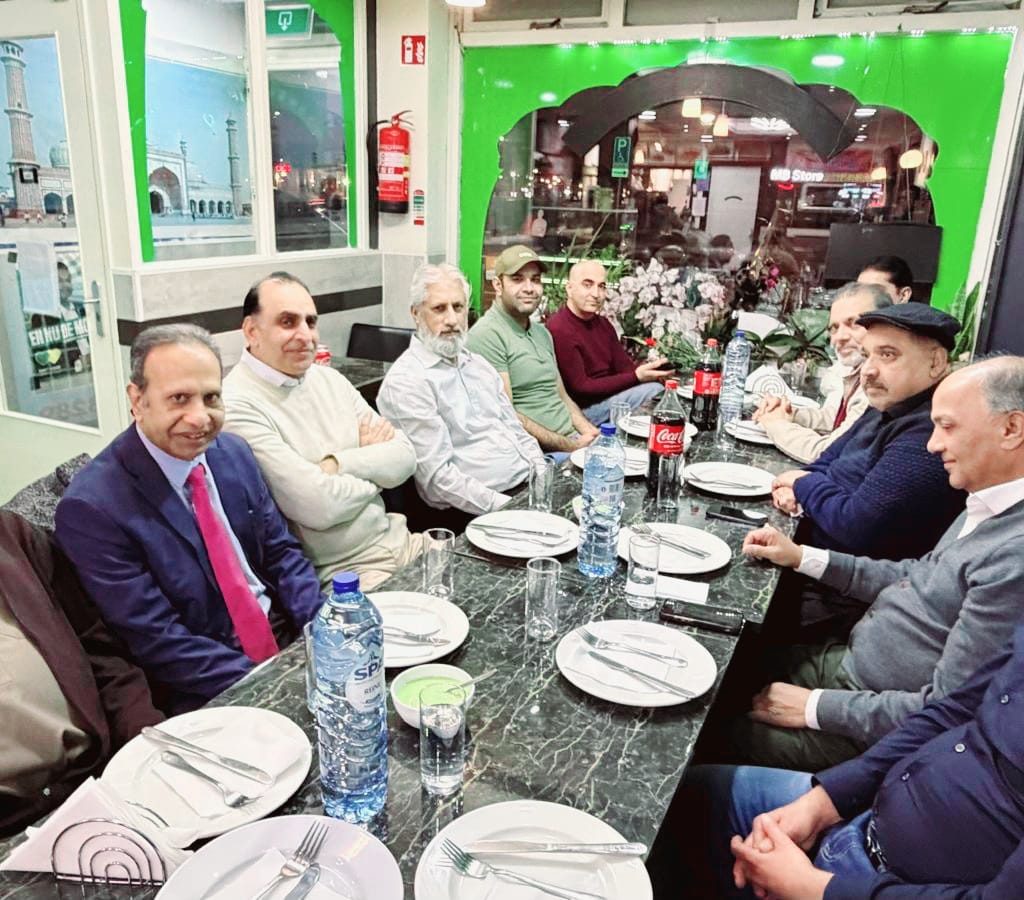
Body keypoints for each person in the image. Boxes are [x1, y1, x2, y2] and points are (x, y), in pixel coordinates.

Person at [722, 356, 1024, 771]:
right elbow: (913, 576)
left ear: (1011, 429)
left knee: (701, 736)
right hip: (851, 664)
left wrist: (815, 707)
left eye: (948, 427)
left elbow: (948, 708)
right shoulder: (986, 500)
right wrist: (802, 556)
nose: (933, 444)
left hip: (869, 728)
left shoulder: (1013, 555)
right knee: (724, 668)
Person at [55, 324, 322, 712]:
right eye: (179, 398)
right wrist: (272, 684)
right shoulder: (93, 507)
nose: (200, 418)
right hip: (207, 684)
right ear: (138, 400)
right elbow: (158, 639)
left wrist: (325, 630)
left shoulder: (233, 453)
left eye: (211, 398)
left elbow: (283, 555)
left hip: (285, 639)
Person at [669, 616, 1024, 897]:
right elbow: (955, 709)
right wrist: (824, 802)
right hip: (867, 813)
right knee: (687, 798)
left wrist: (813, 888)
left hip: (879, 884)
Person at [222, 272, 422, 589]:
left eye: (311, 322)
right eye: (287, 322)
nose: (305, 335)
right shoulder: (237, 404)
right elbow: (320, 506)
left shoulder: (329, 379)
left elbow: (407, 457)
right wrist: (377, 475)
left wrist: (336, 465)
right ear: (251, 331)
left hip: (405, 542)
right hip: (347, 575)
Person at [0, 510, 163, 837]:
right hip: (13, 828)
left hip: (107, 770)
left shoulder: (13, 537)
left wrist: (147, 742)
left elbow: (101, 652)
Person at [771, 303, 965, 561]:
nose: (868, 370)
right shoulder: (885, 405)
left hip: (839, 578)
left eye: (887, 355)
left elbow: (856, 526)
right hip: (809, 553)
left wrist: (801, 485)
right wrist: (800, 486)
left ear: (936, 362)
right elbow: (826, 460)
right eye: (866, 356)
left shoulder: (930, 431)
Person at [376, 263, 544, 530]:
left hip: (526, 490)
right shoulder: (407, 382)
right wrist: (508, 508)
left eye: (458, 307)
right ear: (416, 314)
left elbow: (516, 431)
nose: (452, 320)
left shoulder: (479, 365)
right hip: (471, 513)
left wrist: (544, 481)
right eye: (439, 308)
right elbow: (437, 480)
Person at [467, 245, 600, 454]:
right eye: (517, 279)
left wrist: (589, 433)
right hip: (540, 452)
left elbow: (561, 396)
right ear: (498, 285)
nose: (529, 288)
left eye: (535, 279)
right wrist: (572, 447)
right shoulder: (487, 335)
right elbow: (507, 416)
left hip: (572, 439)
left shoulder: (542, 333)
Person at [754, 282, 890, 464]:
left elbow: (828, 452)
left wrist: (774, 424)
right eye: (834, 328)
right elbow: (835, 420)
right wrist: (788, 412)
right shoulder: (859, 371)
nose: (840, 337)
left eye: (854, 324)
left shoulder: (881, 382)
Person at [546, 259, 671, 425]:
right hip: (582, 412)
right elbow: (581, 388)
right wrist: (636, 377)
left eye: (602, 286)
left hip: (610, 398)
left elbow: (625, 369)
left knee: (668, 390)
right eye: (587, 285)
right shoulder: (559, 328)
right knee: (655, 392)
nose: (596, 294)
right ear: (569, 288)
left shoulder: (603, 324)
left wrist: (651, 373)